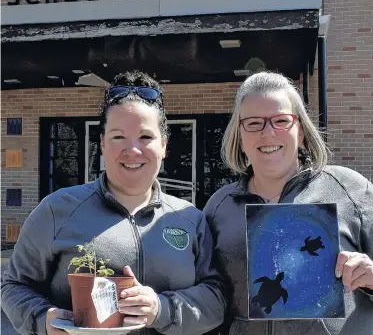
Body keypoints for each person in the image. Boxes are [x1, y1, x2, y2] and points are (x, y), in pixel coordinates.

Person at [2, 71, 226, 335]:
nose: (132, 150)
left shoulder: (190, 218)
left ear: (164, 146)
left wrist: (160, 309)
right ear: (103, 144)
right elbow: (13, 286)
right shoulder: (57, 209)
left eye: (146, 137)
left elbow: (216, 298)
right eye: (118, 136)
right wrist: (42, 319)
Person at [203, 71, 373, 335]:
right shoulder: (219, 206)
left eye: (281, 120)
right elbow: (208, 289)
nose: (268, 133)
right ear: (240, 136)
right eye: (254, 123)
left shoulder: (349, 188)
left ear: (301, 131)